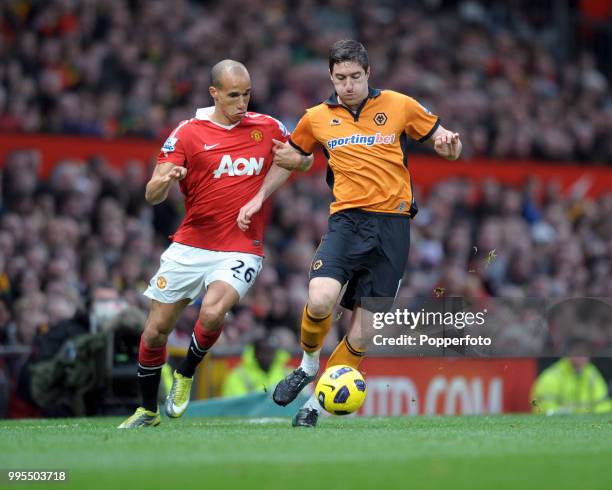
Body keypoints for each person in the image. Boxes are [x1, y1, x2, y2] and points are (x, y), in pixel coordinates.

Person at [243, 40, 462, 427]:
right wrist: (259, 196)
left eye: (355, 77)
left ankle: (313, 407)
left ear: (368, 75)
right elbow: (292, 156)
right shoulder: (316, 117)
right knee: (321, 298)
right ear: (331, 77)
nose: (347, 85)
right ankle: (309, 365)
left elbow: (447, 146)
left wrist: (450, 145)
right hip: (346, 222)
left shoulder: (400, 105)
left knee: (362, 336)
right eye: (340, 78)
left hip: (393, 228)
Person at [118, 60, 312, 428]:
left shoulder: (267, 126)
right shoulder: (187, 133)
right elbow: (151, 193)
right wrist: (167, 179)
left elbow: (301, 159)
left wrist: (287, 171)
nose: (243, 103)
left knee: (211, 312)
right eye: (234, 95)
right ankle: (147, 411)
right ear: (215, 94)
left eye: (247, 94)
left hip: (241, 244)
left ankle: (186, 373)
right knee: (155, 330)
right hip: (191, 244)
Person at [531, 340, 612, 415]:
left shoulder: (592, 374)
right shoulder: (553, 376)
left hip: (587, 424)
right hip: (558, 425)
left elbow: (604, 404)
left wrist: (589, 415)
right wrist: (560, 413)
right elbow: (541, 406)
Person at [221, 336, 291, 397]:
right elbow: (236, 406)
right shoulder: (238, 376)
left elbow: (299, 401)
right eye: (263, 352)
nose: (267, 356)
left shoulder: (289, 374)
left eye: (270, 352)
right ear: (254, 353)